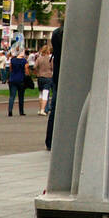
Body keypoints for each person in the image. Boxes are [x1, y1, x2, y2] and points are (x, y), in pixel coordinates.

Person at [46, 21, 63, 150]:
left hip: (58, 76)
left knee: (55, 109)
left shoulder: (57, 33)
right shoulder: (64, 33)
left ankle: (50, 140)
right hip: (64, 76)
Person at [6, 46, 28, 116]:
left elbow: (10, 69)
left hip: (12, 79)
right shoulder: (24, 61)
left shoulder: (12, 60)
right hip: (21, 79)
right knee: (21, 96)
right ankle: (21, 111)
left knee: (12, 96)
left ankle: (10, 110)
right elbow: (26, 71)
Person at [35, 43, 53, 116]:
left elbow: (35, 66)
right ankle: (43, 109)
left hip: (40, 77)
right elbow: (52, 68)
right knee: (45, 93)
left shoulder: (39, 58)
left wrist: (38, 72)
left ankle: (40, 109)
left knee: (41, 93)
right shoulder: (50, 59)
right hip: (48, 77)